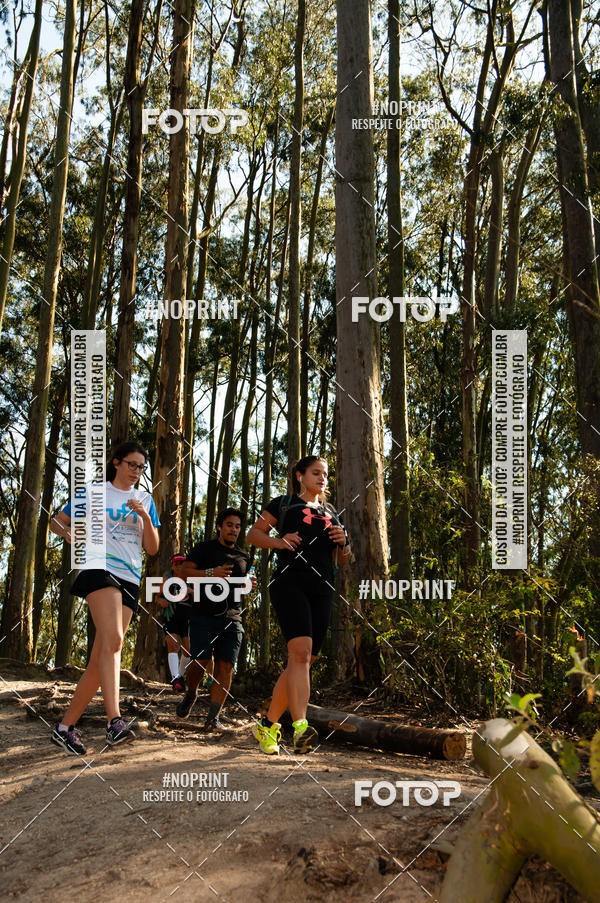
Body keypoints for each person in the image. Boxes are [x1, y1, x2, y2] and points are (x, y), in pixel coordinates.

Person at [49, 441, 160, 755]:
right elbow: (57, 521)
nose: (136, 472)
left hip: (130, 577)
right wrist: (68, 533)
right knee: (113, 641)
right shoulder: (95, 492)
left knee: (102, 660)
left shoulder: (145, 498)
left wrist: (147, 518)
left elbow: (152, 548)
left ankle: (64, 728)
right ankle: (114, 721)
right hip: (99, 569)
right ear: (116, 463)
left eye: (141, 467)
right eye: (131, 465)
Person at [247, 455, 351, 755]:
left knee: (303, 661)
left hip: (322, 587)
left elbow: (344, 559)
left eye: (326, 475)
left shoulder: (333, 513)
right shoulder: (283, 504)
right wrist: (280, 542)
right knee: (301, 653)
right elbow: (254, 534)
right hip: (289, 582)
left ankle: (267, 726)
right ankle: (301, 728)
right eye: (316, 473)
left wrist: (344, 542)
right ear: (299, 476)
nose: (322, 478)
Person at [175, 508, 255, 732]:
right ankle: (192, 692)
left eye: (238, 526)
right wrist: (212, 573)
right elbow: (183, 573)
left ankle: (213, 718)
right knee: (200, 661)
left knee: (226, 666)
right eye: (229, 525)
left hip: (232, 617)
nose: (234, 530)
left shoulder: (244, 556)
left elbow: (244, 582)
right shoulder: (204, 549)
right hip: (203, 614)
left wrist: (249, 585)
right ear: (220, 526)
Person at [157, 554, 192, 692]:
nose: (179, 566)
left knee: (188, 651)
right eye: (176, 564)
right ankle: (176, 679)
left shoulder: (191, 578)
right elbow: (157, 596)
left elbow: (201, 595)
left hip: (187, 616)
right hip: (171, 615)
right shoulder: (167, 578)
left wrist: (191, 591)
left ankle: (180, 676)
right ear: (172, 565)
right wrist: (161, 601)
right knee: (173, 645)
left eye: (182, 563)